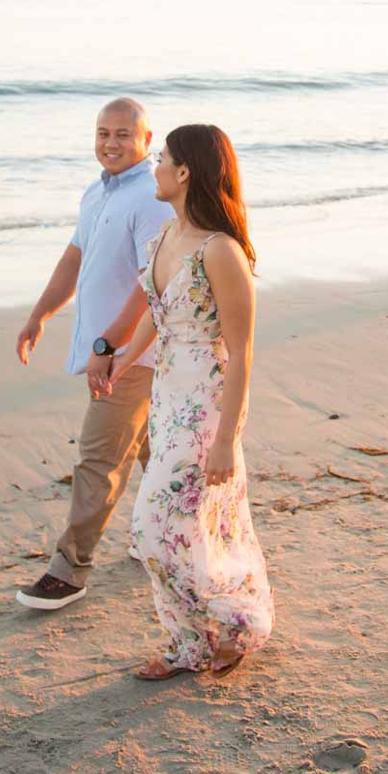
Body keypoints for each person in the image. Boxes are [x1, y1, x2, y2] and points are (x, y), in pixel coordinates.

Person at [95, 124, 275, 678]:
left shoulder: (222, 253)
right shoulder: (164, 241)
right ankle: (191, 645)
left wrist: (226, 439)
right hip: (169, 396)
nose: (153, 166)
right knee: (194, 525)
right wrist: (121, 360)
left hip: (207, 404)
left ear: (185, 172)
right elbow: (157, 313)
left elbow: (242, 352)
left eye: (162, 158)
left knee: (155, 526)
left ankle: (238, 621)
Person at [15, 98, 174, 610]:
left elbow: (155, 280)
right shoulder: (97, 192)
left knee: (98, 460)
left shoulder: (152, 197)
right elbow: (75, 256)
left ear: (147, 141)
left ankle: (70, 570)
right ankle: (163, 538)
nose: (110, 142)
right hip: (112, 351)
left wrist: (112, 347)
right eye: (102, 132)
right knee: (154, 450)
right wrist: (40, 313)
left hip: (134, 354)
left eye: (123, 134)